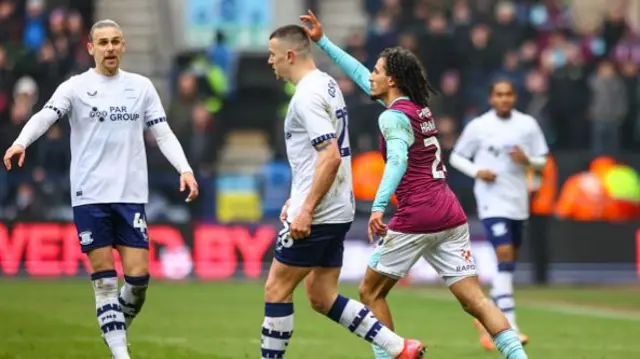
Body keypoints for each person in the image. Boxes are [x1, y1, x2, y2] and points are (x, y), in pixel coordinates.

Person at [299, 10, 528, 359]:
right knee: (475, 299)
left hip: (418, 215)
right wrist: (324, 42)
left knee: (370, 292)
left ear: (391, 81)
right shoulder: (417, 107)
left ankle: (391, 355)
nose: (370, 76)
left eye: (378, 71)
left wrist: (377, 207)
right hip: (450, 214)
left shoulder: (392, 117)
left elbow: (397, 161)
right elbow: (362, 76)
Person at [3, 20, 198, 359]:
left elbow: (163, 133)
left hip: (131, 195)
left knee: (138, 280)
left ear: (123, 46)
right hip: (90, 196)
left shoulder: (141, 87)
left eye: (116, 42)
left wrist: (185, 169)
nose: (110, 48)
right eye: (103, 42)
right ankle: (120, 353)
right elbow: (45, 116)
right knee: (105, 281)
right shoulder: (75, 87)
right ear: (91, 48)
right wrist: (21, 142)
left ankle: (114, 327)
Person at [262, 24, 425, 359]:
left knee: (276, 289)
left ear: (290, 55)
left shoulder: (306, 95)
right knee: (322, 296)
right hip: (338, 207)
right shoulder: (328, 83)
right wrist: (299, 195)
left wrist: (305, 207)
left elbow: (330, 155)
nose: (270, 62)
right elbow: (321, 156)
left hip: (319, 211)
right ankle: (398, 347)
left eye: (273, 55)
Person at [449, 79, 549, 350]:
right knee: (503, 254)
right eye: (499, 95)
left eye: (508, 94)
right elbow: (457, 157)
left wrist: (527, 161)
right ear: (491, 98)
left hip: (518, 200)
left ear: (514, 97)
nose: (504, 99)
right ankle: (511, 327)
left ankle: (486, 318)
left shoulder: (527, 124)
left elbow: (543, 159)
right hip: (491, 201)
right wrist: (477, 172)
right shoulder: (480, 126)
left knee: (509, 260)